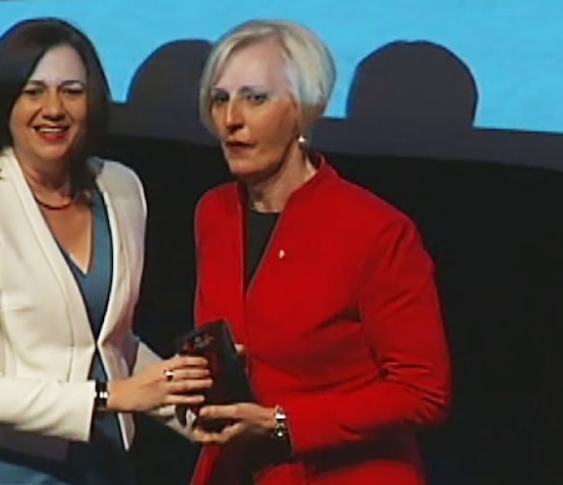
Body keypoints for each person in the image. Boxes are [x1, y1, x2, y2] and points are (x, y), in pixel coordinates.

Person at [0, 17, 211, 485]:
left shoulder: (121, 188)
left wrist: (191, 406)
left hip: (101, 461)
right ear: (5, 103)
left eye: (71, 91)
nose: (53, 109)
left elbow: (111, 342)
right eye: (33, 91)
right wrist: (112, 397)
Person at [189, 20, 452, 485]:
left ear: (305, 108)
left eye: (255, 98)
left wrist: (281, 423)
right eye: (220, 98)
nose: (231, 118)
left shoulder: (376, 231)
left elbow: (422, 391)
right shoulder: (214, 212)